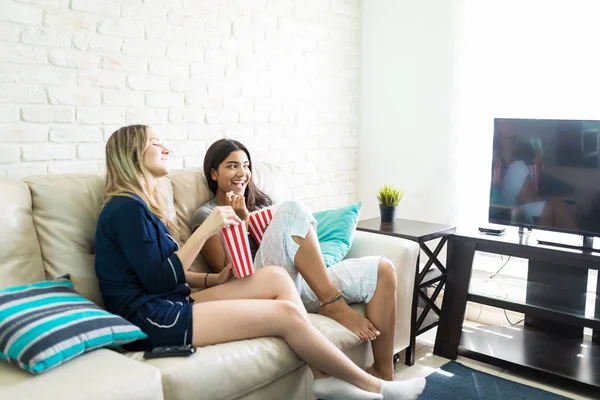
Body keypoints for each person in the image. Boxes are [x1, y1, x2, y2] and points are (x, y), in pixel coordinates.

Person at [94, 125, 426, 400]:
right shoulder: (125, 209)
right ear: (132, 153)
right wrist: (208, 229)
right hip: (153, 318)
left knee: (276, 278)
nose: (165, 148)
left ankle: (324, 374)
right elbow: (157, 279)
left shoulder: (138, 207)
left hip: (168, 301)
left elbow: (161, 272)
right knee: (283, 313)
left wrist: (211, 280)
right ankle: (374, 385)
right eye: (155, 143)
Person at [191, 139, 400, 381]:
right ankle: (332, 303)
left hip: (294, 282)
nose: (242, 173)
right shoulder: (206, 215)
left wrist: (249, 215)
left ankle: (384, 375)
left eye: (246, 165)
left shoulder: (263, 202)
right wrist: (242, 221)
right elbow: (226, 273)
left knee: (382, 270)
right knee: (291, 209)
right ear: (214, 173)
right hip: (257, 290)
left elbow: (290, 246)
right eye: (232, 166)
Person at [492, 120, 578, 230]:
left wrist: (540, 160)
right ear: (496, 127)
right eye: (504, 123)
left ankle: (576, 241)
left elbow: (533, 185)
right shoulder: (490, 149)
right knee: (518, 166)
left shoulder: (527, 149)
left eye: (511, 122)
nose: (509, 125)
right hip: (504, 203)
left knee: (557, 203)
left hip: (525, 204)